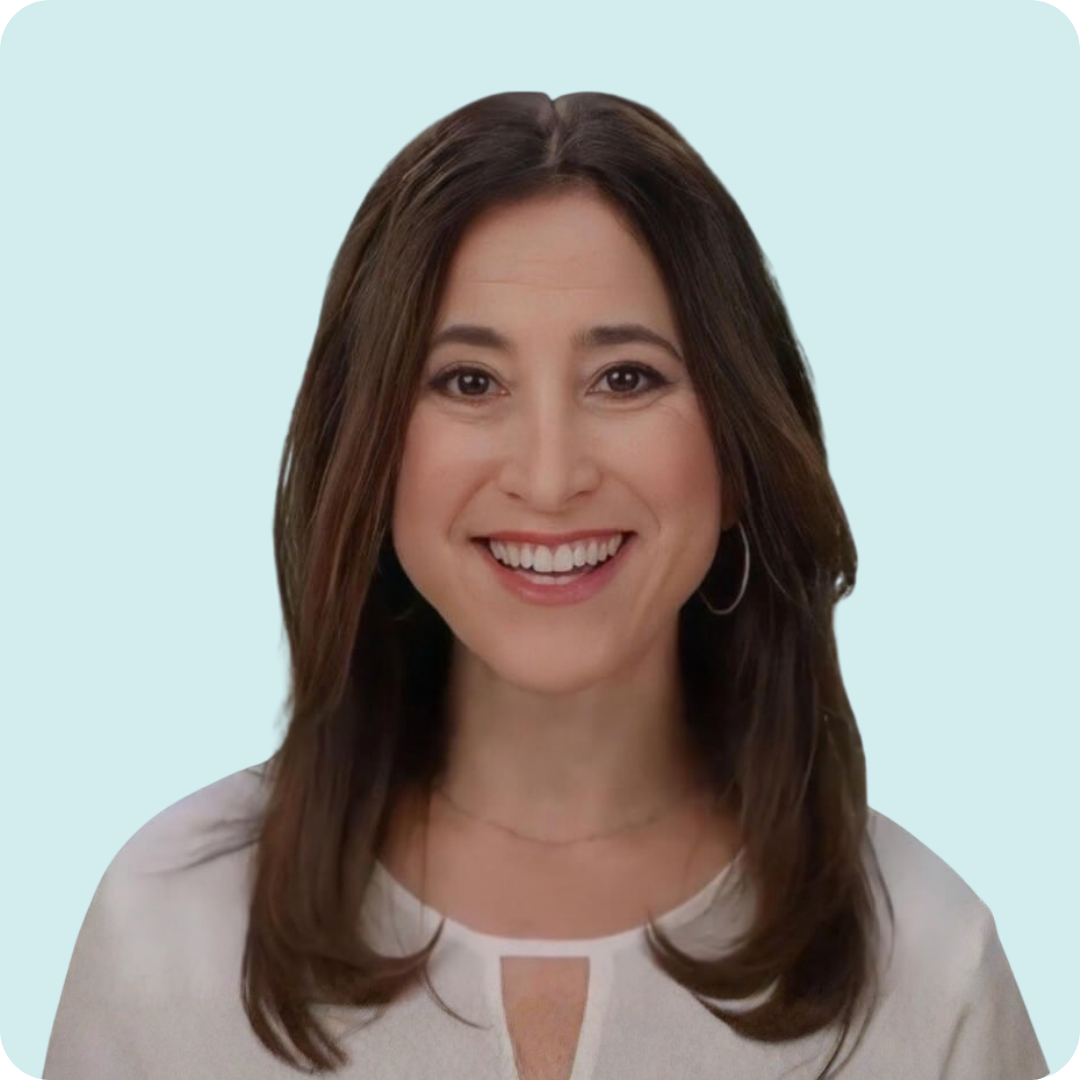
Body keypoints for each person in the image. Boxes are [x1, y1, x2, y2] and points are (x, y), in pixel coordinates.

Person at [43, 91, 1049, 1080]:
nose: (551, 474)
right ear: (374, 453)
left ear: (743, 451)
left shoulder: (929, 963)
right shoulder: (167, 938)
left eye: (626, 379)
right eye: (470, 383)